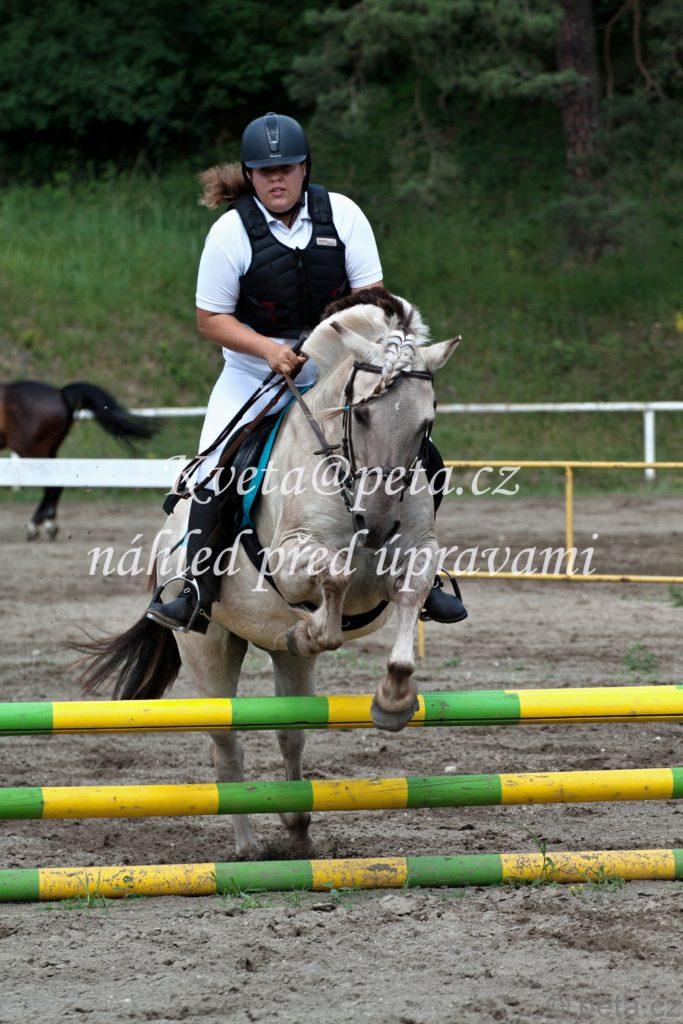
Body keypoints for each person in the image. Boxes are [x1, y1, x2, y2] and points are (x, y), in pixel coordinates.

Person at [147, 112, 467, 633]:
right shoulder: (230, 232)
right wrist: (268, 350)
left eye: (287, 169)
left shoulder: (343, 216)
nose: (277, 180)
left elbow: (372, 298)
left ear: (304, 169)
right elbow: (211, 319)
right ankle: (195, 588)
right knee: (212, 473)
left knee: (420, 452)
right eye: (265, 171)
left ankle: (423, 575)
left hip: (336, 372)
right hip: (254, 375)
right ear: (250, 175)